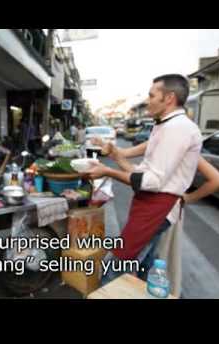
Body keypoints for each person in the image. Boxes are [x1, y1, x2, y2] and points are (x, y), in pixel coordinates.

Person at [83, 74, 203, 289]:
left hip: (157, 207)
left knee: (117, 265)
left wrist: (107, 172)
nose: (148, 101)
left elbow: (151, 181)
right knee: (145, 265)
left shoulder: (177, 129)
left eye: (151, 95)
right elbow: (139, 170)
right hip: (150, 204)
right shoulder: (165, 126)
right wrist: (113, 154)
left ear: (169, 98)